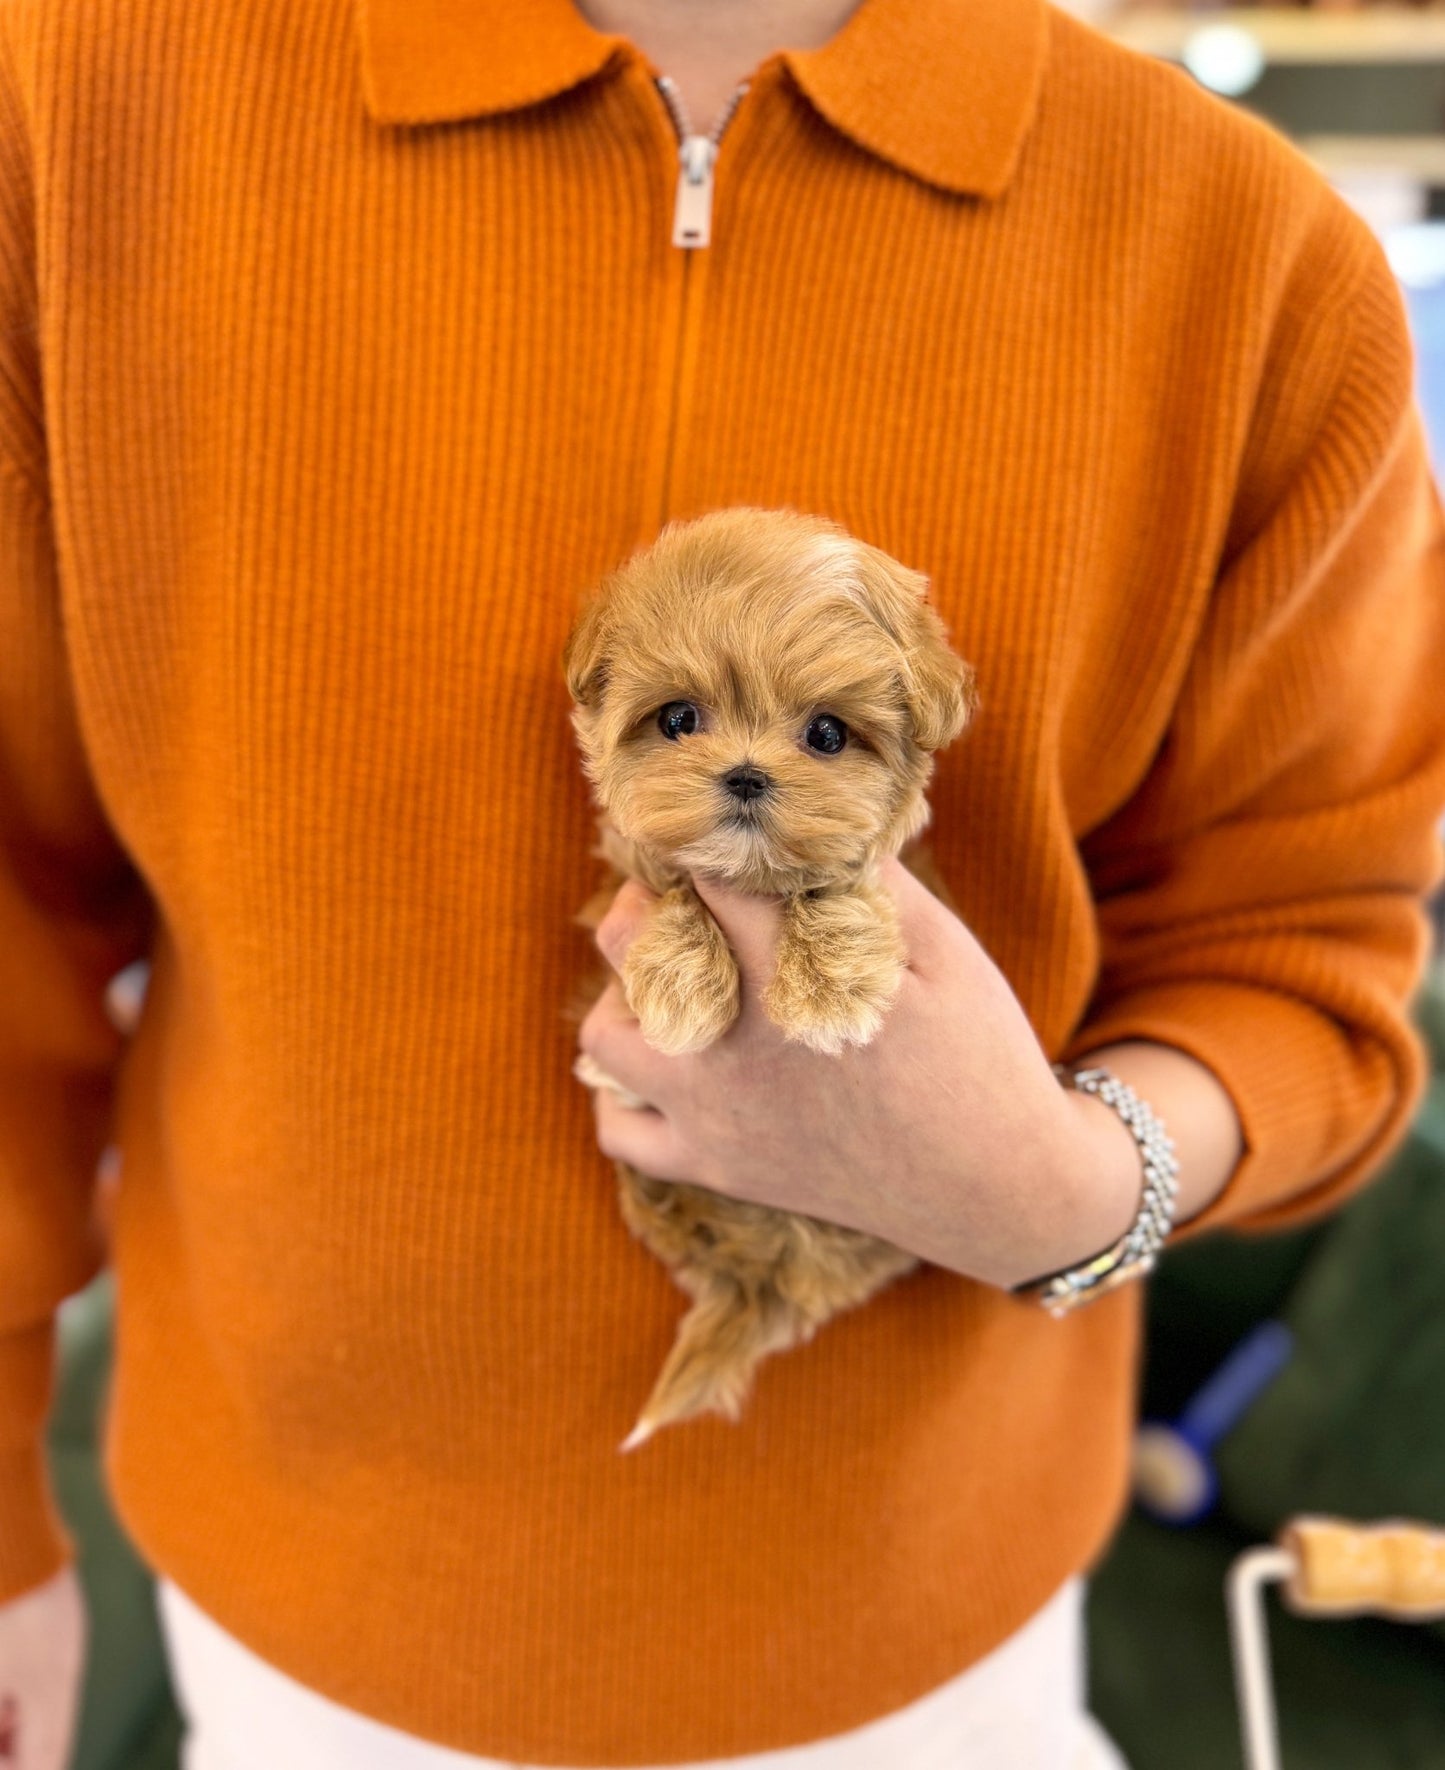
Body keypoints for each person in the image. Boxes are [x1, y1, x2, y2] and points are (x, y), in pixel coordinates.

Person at [3, 0, 1444, 1765]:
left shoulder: (1251, 259)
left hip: (935, 1620)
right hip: (296, 1600)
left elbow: (1301, 948)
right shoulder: (65, 126)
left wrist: (1058, 1185)